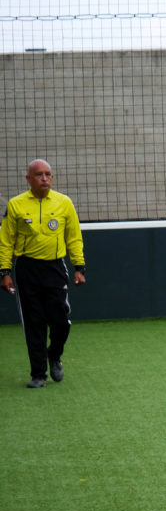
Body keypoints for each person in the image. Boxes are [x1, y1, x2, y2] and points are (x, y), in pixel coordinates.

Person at [0, 160, 86, 388]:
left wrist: (79, 266)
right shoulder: (16, 205)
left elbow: (73, 237)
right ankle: (38, 374)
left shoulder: (64, 203)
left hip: (54, 268)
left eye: (48, 174)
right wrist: (5, 271)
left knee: (61, 321)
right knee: (34, 322)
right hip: (27, 269)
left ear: (52, 177)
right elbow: (6, 241)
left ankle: (54, 355)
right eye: (39, 175)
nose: (44, 178)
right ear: (29, 179)